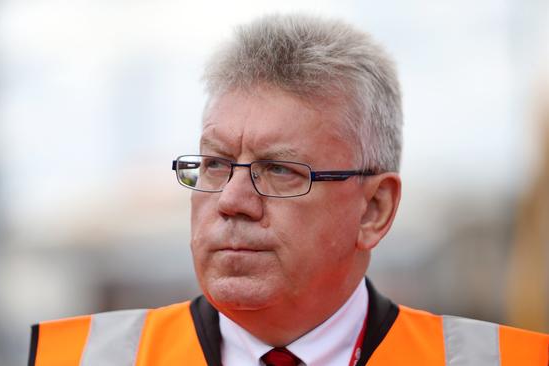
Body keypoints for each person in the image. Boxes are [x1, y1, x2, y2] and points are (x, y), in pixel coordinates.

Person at [28, 14, 548, 365]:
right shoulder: (79, 357)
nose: (232, 201)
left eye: (279, 171)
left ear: (375, 209)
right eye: (214, 164)